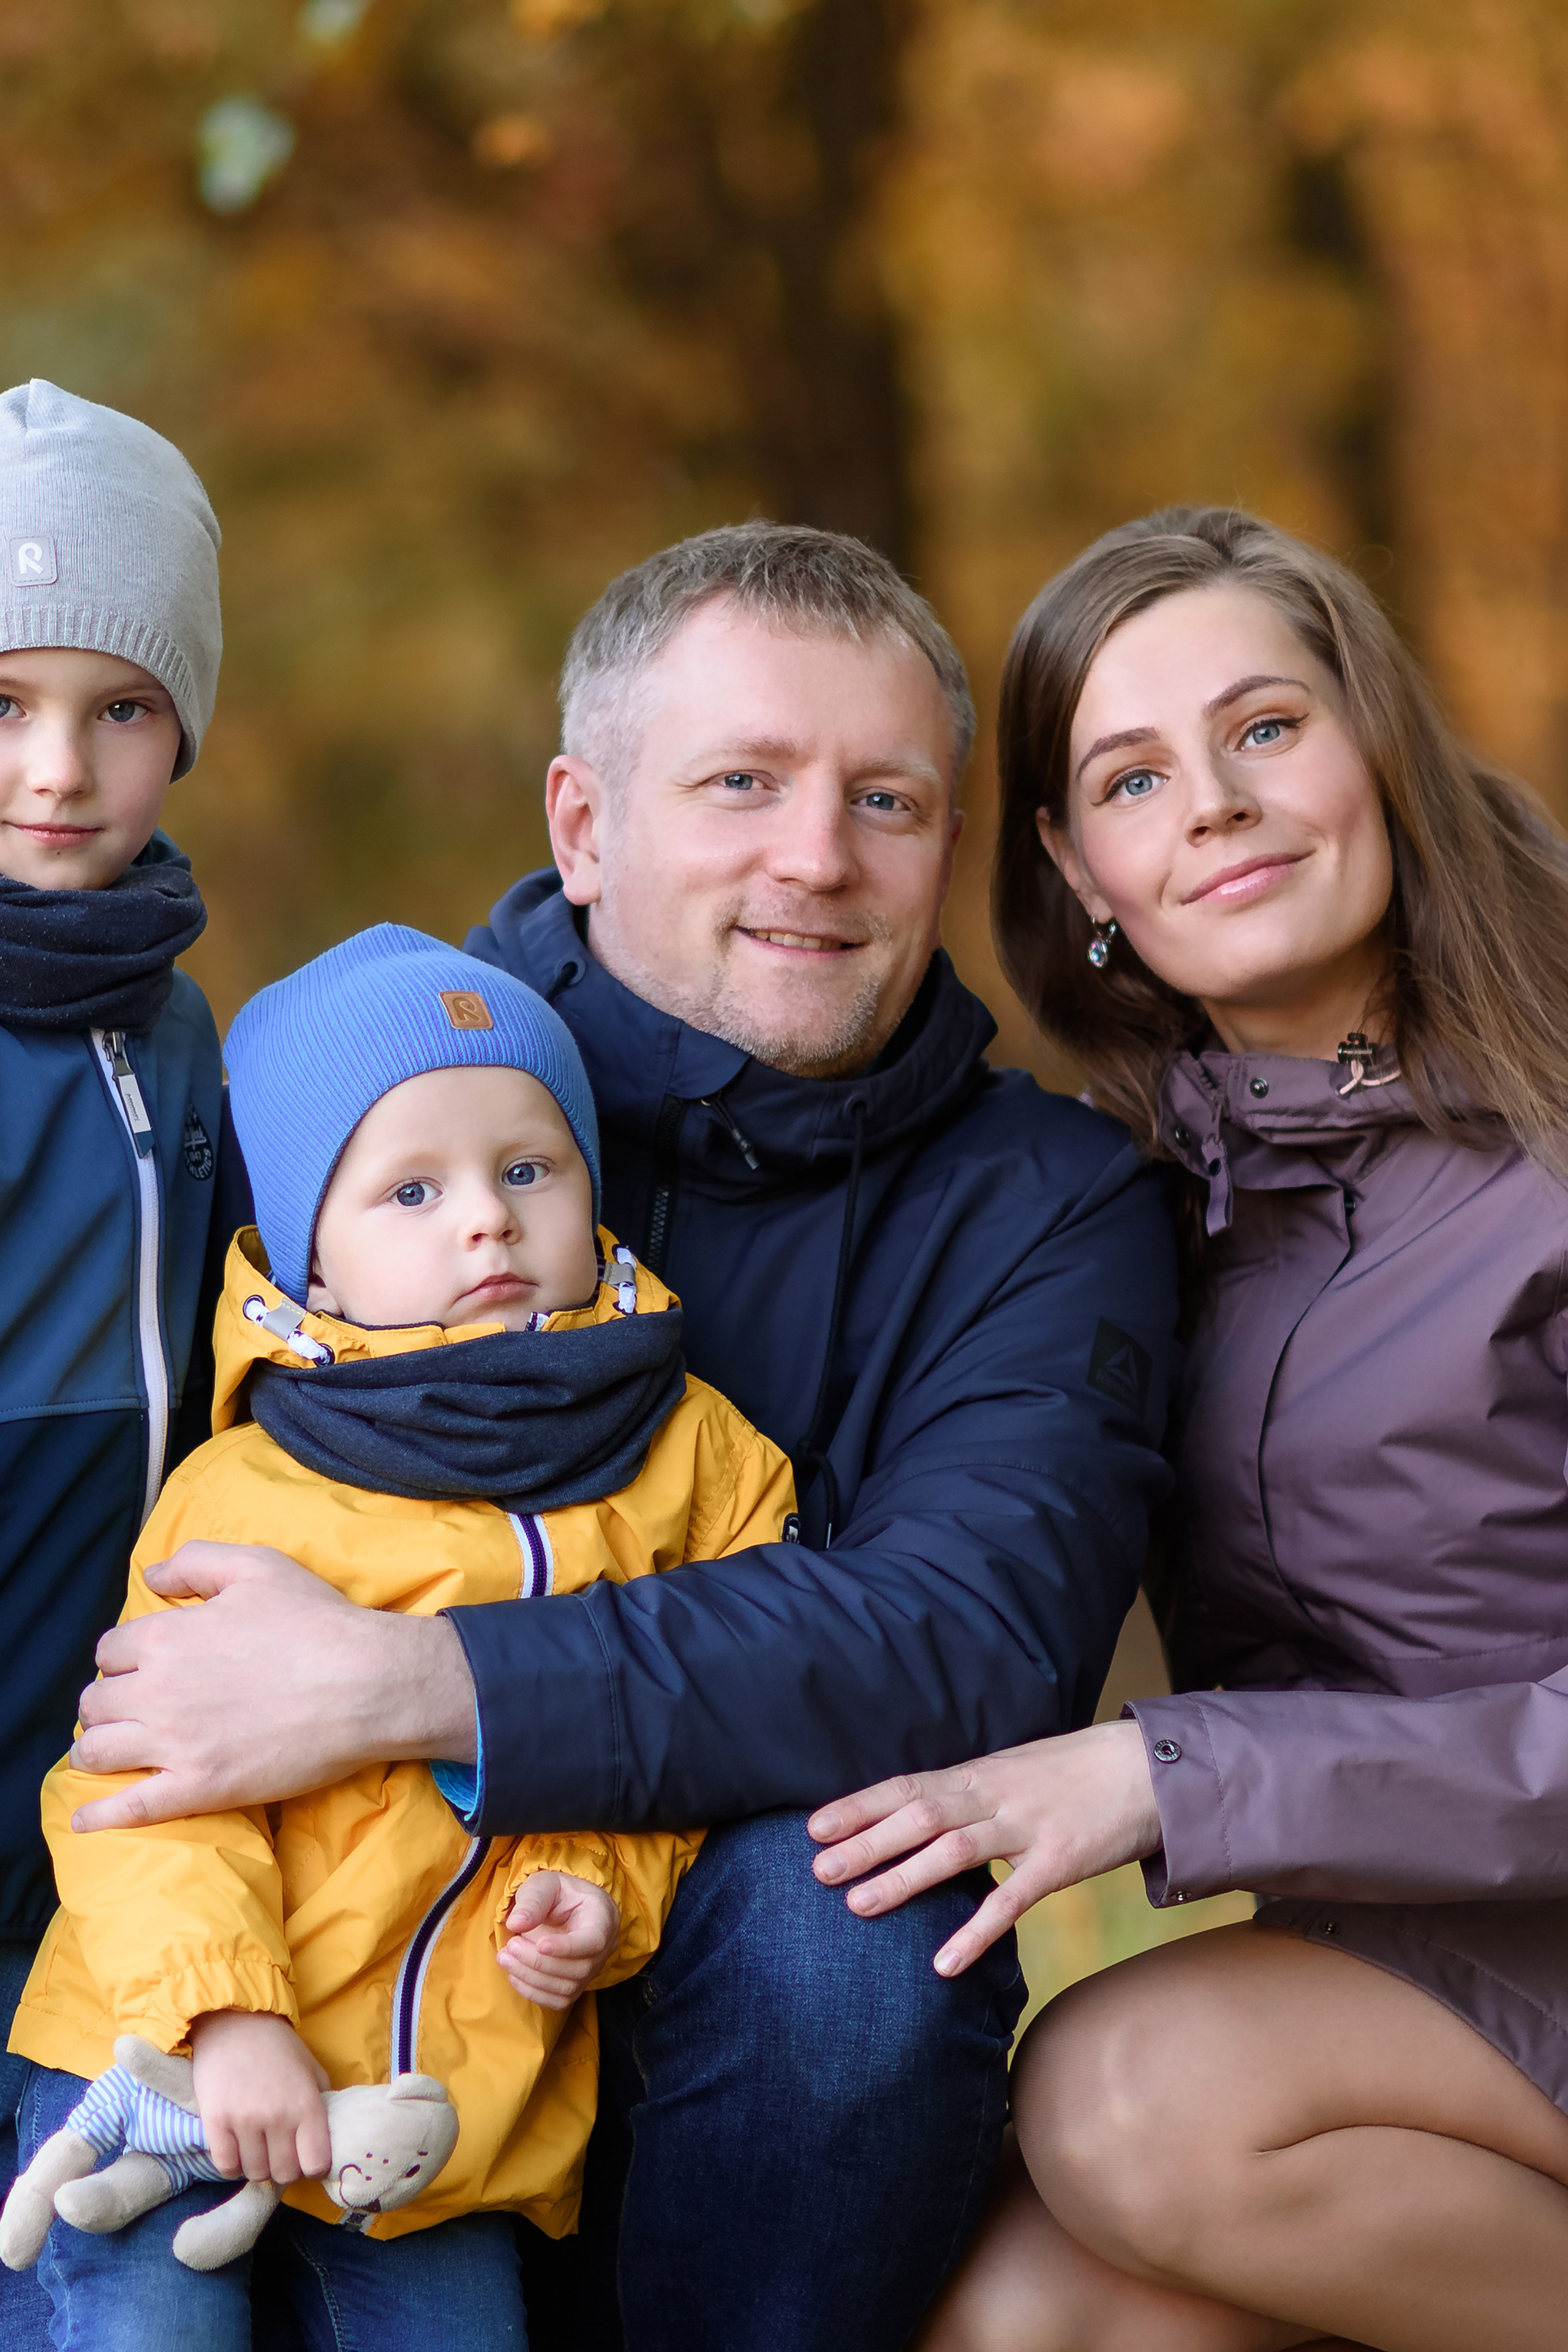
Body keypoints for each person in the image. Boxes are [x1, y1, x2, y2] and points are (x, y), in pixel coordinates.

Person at [63, 524, 1180, 2352]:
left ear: (946, 846)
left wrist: (416, 1682)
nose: (816, 856)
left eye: (885, 800)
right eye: (742, 782)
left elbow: (972, 1638)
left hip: (717, 2014)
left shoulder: (1048, 1207)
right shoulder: (354, 1112)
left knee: (853, 1911)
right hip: (305, 1991)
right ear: (583, 825)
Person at [809, 505, 1568, 2352]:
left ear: (1378, 746)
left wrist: (1170, 1775)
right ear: (1079, 868)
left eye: (1267, 729)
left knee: (1132, 2096)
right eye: (1133, 778)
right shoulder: (1143, 1209)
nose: (1214, 807)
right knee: (1021, 2319)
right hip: (1401, 1964)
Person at [8, 923, 794, 2348]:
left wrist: (597, 1891)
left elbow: (709, 1728)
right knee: (142, 2327)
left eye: (528, 1169)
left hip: (428, 2134)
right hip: (172, 2056)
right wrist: (224, 2021)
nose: (484, 1219)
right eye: (411, 1190)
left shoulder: (704, 1466)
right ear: (312, 1260)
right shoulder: (250, 1488)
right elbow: (136, 1792)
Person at [0, 379, 240, 2350]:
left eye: (122, 709)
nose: (58, 769)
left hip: (110, 1843)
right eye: (1, 704)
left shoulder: (183, 1036)